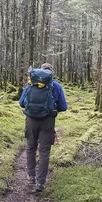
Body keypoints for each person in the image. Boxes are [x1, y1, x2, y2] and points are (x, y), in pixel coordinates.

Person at [19, 63, 67, 192]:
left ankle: (31, 177)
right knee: (44, 152)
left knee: (30, 148)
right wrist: (51, 108)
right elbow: (64, 107)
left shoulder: (30, 84)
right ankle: (40, 183)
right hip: (48, 122)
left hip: (31, 120)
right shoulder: (56, 86)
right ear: (52, 73)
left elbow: (22, 103)